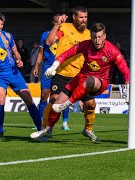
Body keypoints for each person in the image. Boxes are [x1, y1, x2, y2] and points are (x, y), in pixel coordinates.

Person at [30, 23, 130, 142]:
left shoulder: (112, 50)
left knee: (91, 82)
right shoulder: (85, 45)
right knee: (58, 102)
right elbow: (67, 53)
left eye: (99, 37)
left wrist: (128, 89)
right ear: (91, 36)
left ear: (104, 36)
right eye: (94, 37)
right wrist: (54, 66)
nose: (96, 40)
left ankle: (68, 105)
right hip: (81, 78)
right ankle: (48, 129)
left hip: (100, 82)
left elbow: (125, 70)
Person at [0, 12, 41, 138]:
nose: (0, 26)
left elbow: (16, 52)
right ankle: (0, 131)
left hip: (13, 73)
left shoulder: (8, 36)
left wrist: (19, 60)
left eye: (2, 24)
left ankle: (41, 129)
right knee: (1, 100)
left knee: (28, 99)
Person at [38, 6, 95, 137]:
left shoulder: (88, 34)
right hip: (62, 73)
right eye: (81, 17)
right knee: (54, 100)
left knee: (91, 104)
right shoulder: (65, 27)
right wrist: (57, 25)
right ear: (74, 17)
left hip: (81, 75)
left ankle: (88, 129)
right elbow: (49, 41)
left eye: (86, 17)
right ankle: (45, 129)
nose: (84, 20)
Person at [33, 13, 71, 131]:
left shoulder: (66, 34)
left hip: (62, 67)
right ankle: (40, 123)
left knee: (63, 96)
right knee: (44, 94)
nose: (59, 23)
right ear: (53, 22)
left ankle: (64, 123)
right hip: (48, 67)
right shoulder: (45, 35)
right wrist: (36, 66)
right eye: (56, 21)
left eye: (60, 21)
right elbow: (40, 52)